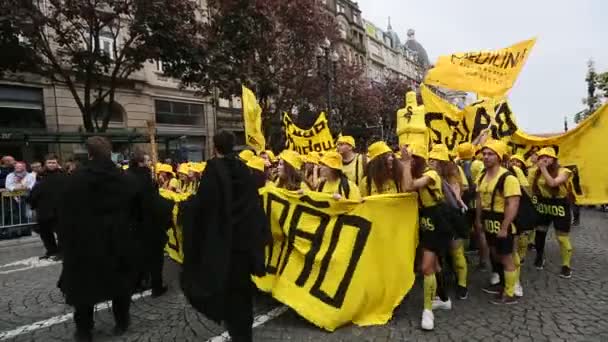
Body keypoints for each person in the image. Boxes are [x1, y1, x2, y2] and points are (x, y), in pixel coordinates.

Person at [181, 131, 269, 342]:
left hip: (225, 244)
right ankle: (244, 334)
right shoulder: (244, 170)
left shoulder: (213, 171)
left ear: (215, 147)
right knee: (243, 291)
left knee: (229, 291)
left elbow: (204, 207)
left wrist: (187, 207)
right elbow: (253, 205)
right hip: (245, 244)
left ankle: (238, 333)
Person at [58, 137, 138, 341]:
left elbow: (65, 213)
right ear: (110, 153)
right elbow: (135, 209)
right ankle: (122, 321)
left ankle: (84, 329)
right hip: (118, 240)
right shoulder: (124, 177)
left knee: (84, 286)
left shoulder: (76, 178)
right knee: (120, 284)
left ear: (89, 153)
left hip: (85, 242)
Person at [401, 143, 452, 331]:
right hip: (426, 223)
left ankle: (428, 310)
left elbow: (408, 187)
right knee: (435, 264)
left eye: (414, 158)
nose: (410, 160)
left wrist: (405, 164)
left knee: (426, 267)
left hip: (436, 223)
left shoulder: (432, 174)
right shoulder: (417, 172)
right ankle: (445, 299)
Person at [475, 140, 521, 305]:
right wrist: (478, 221)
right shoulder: (482, 175)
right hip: (488, 221)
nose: (486, 157)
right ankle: (503, 285)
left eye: (490, 154)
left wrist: (505, 227)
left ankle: (510, 293)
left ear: (499, 156)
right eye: (484, 154)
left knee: (506, 257)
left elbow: (513, 204)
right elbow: (479, 199)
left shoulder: (508, 178)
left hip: (502, 221)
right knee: (495, 255)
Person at [126, 150, 171, 298]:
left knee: (137, 256)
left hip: (133, 225)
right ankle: (156, 286)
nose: (150, 163)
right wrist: (168, 205)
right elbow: (153, 203)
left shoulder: (127, 176)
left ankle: (137, 283)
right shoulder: (145, 179)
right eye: (147, 160)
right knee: (155, 257)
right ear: (140, 162)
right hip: (149, 224)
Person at [429, 144, 469, 301]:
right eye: (430, 159)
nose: (430, 162)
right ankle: (444, 282)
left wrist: (457, 198)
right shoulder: (430, 174)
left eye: (434, 160)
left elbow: (457, 195)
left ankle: (462, 285)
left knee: (457, 252)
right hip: (437, 217)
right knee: (439, 252)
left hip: (452, 217)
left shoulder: (453, 174)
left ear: (442, 162)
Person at [529, 147, 574, 278]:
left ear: (554, 159)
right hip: (543, 204)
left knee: (562, 237)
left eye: (548, 157)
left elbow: (553, 183)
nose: (544, 159)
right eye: (542, 157)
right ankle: (539, 257)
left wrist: (542, 169)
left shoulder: (564, 171)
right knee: (540, 232)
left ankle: (566, 265)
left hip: (559, 205)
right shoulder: (534, 172)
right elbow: (530, 188)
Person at [28, 155, 65, 260]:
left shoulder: (63, 175)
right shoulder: (40, 175)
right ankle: (52, 250)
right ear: (45, 164)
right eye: (49, 162)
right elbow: (36, 190)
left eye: (54, 162)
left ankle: (62, 252)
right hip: (43, 208)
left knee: (61, 233)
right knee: (45, 232)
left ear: (57, 163)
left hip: (59, 209)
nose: (52, 164)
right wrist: (33, 202)